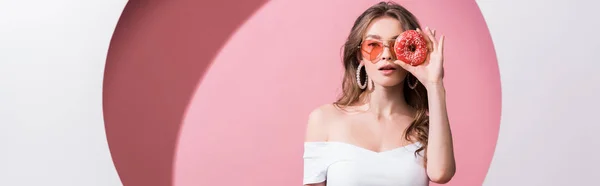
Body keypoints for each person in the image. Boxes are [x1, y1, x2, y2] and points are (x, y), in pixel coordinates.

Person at [303, 1, 456, 186]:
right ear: (359, 55)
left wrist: (434, 84)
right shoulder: (324, 120)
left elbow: (441, 174)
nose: (386, 55)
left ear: (411, 51)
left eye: (395, 45)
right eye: (373, 45)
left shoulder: (425, 128)